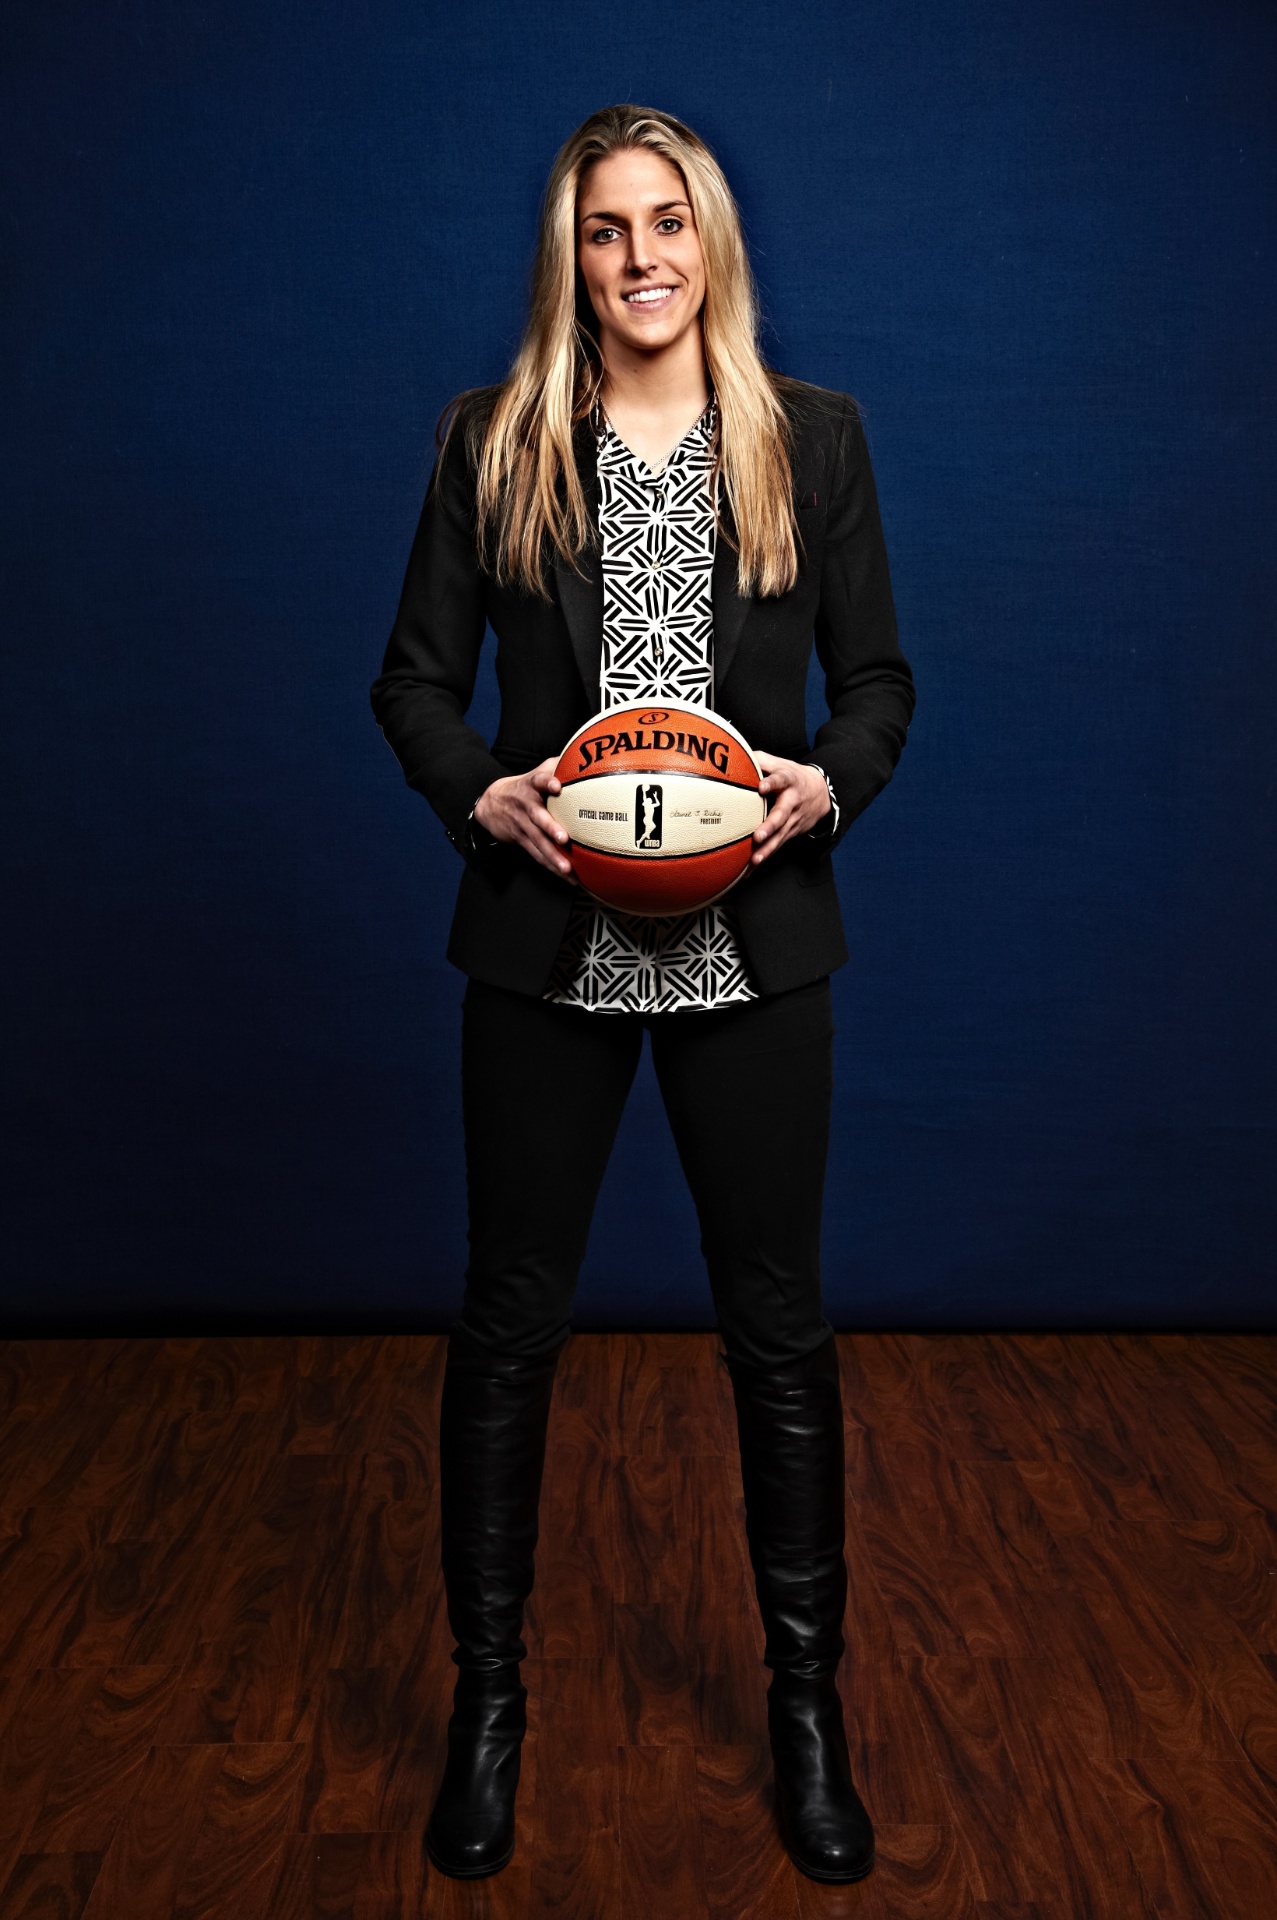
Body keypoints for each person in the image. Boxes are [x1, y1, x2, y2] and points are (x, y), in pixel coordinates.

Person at [370, 103, 915, 1886]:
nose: (639, 258)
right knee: (510, 1328)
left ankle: (807, 1713)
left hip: (753, 947)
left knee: (777, 1332)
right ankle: (491, 1707)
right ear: (570, 256)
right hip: (549, 951)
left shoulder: (808, 442)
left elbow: (880, 682)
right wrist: (483, 795)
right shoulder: (494, 440)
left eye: (666, 222)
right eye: (605, 229)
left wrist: (829, 778)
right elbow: (414, 685)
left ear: (712, 243)